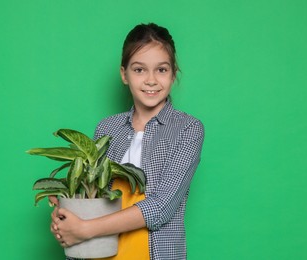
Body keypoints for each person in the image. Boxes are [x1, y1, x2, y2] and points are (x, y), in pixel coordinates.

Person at [49, 23, 205, 260]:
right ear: (124, 74)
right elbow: (92, 195)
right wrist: (65, 216)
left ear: (174, 73)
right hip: (100, 252)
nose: (151, 80)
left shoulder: (188, 129)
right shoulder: (107, 127)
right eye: (139, 70)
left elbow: (161, 207)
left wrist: (84, 229)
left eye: (161, 70)